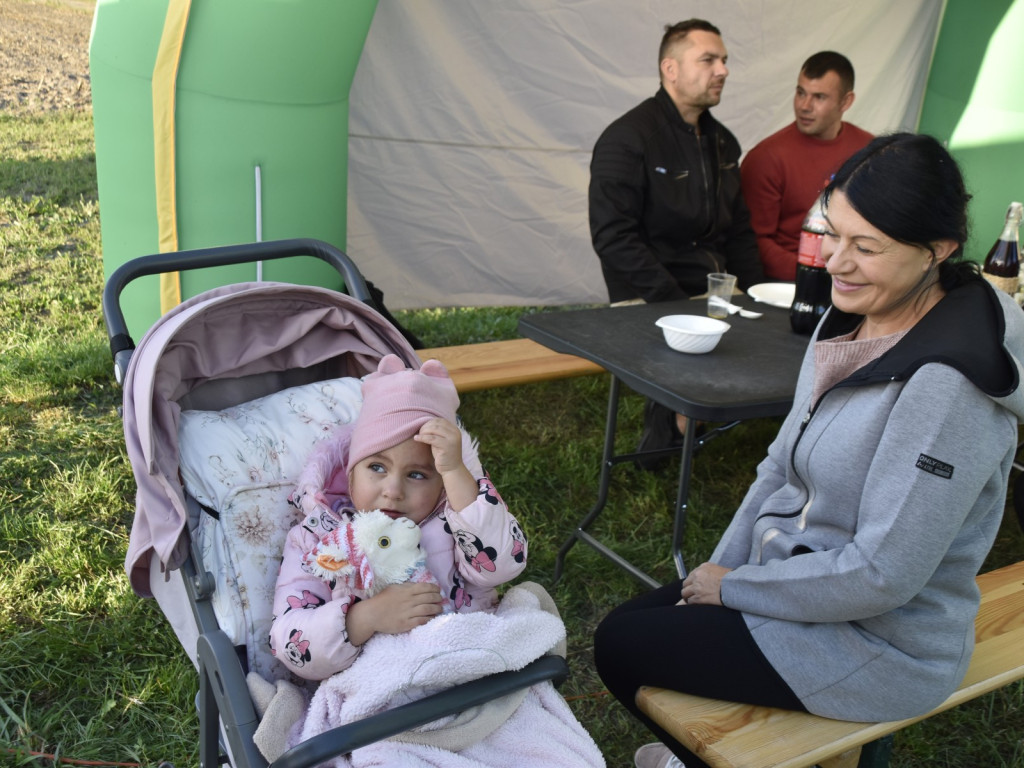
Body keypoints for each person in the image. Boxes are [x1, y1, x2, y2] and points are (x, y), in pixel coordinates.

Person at [594, 133, 1024, 768]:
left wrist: (736, 588)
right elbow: (779, 461)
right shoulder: (850, 315)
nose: (834, 262)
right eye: (832, 232)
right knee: (634, 629)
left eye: (866, 246)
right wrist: (716, 576)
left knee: (622, 647)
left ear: (938, 251)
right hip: (801, 583)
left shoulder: (949, 387)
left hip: (882, 644)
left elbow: (883, 575)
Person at [270, 355, 528, 680]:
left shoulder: (455, 522)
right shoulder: (316, 539)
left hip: (471, 677)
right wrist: (366, 618)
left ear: (441, 486)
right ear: (349, 476)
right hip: (378, 699)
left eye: (418, 474)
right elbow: (289, 641)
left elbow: (504, 564)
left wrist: (456, 472)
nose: (393, 490)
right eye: (376, 467)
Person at [588, 19, 764, 466]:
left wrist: (761, 295)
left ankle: (698, 418)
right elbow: (613, 238)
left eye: (724, 60)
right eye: (708, 60)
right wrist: (672, 303)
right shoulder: (628, 139)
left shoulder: (723, 142)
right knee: (696, 345)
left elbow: (738, 229)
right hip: (649, 290)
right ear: (670, 68)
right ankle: (669, 429)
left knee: (776, 338)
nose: (722, 69)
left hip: (713, 287)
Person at [741, 51, 873, 281]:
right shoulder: (766, 157)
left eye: (819, 97)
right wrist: (818, 277)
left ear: (846, 101)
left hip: (855, 279)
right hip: (788, 286)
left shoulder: (870, 150)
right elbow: (752, 243)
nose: (804, 106)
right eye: (801, 93)